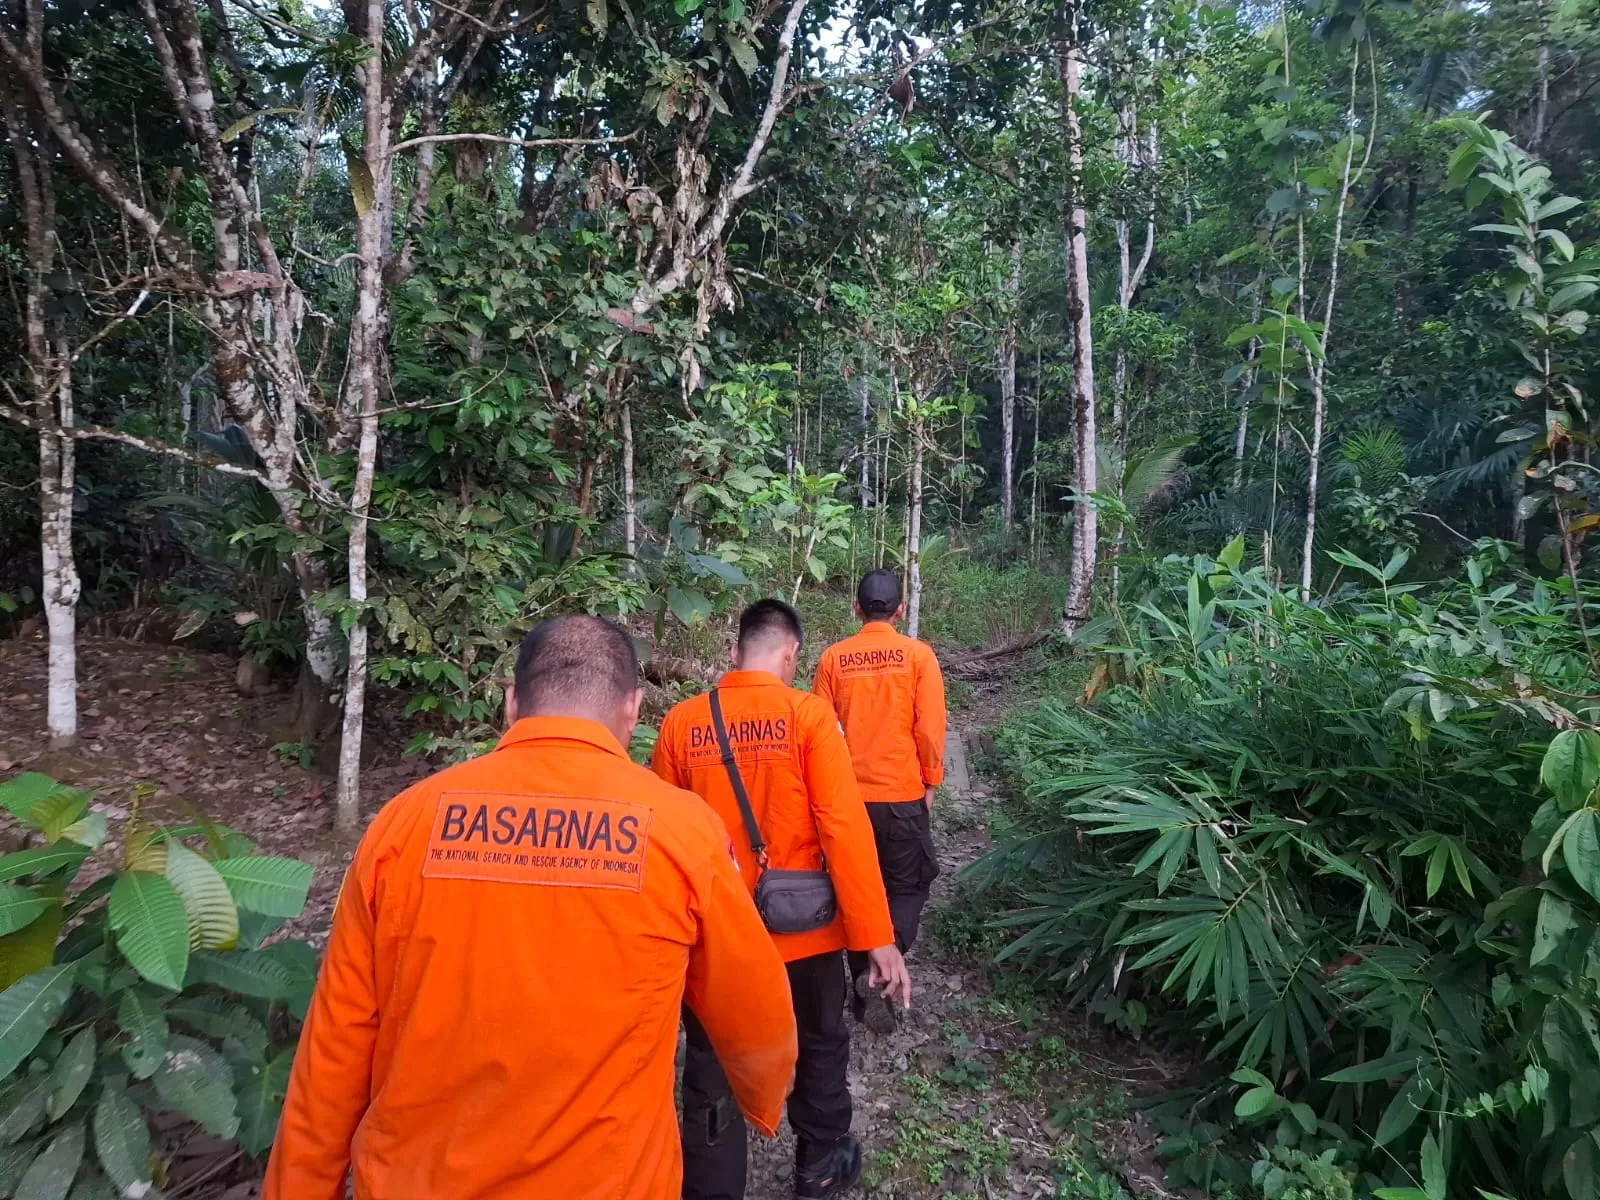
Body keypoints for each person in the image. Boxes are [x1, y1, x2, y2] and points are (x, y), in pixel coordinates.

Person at [263, 616, 798, 1200]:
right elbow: (754, 1003)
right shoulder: (680, 831)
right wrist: (762, 1097)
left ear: (512, 702)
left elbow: (334, 1048)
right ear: (632, 709)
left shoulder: (404, 824)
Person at [653, 599, 912, 1200]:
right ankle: (818, 1164)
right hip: (806, 931)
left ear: (734, 650)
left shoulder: (682, 723)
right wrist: (877, 938)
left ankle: (713, 1186)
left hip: (718, 938)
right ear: (792, 653)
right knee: (821, 1041)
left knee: (712, 1064)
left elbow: (662, 834)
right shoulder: (808, 717)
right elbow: (843, 829)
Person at [812, 569, 947, 1033]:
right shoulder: (918, 656)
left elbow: (821, 733)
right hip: (901, 797)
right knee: (908, 886)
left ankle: (862, 970)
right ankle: (884, 963)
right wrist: (930, 781)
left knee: (854, 891)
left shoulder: (833, 659)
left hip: (847, 801)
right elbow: (929, 729)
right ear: (900, 609)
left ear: (856, 608)